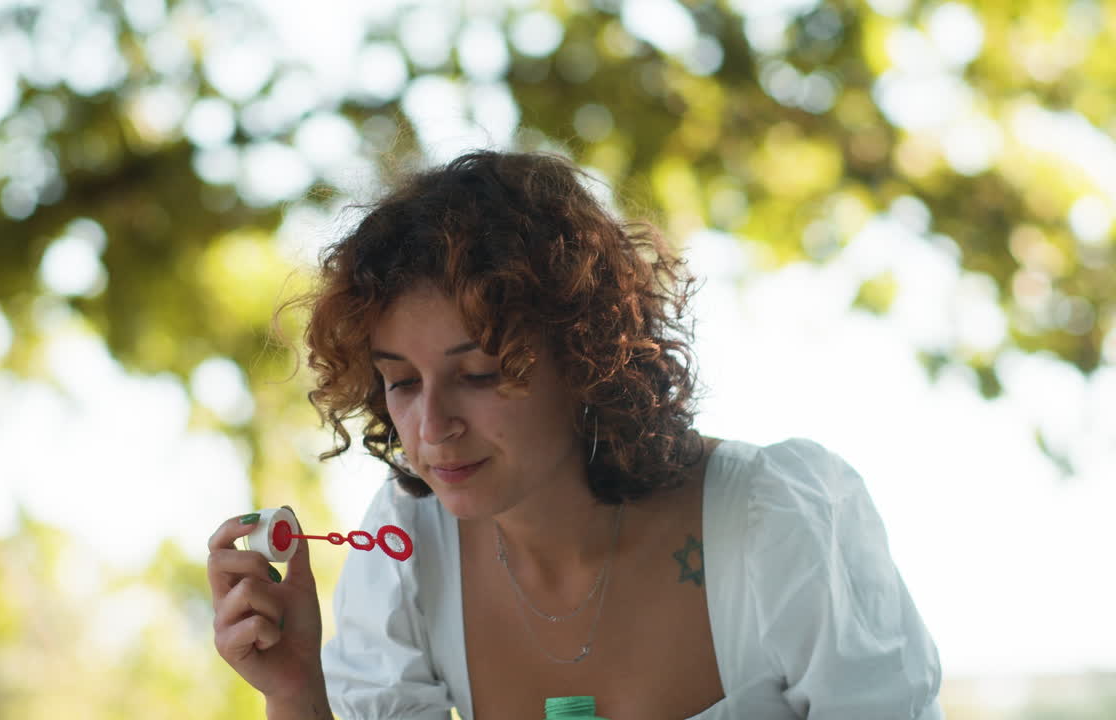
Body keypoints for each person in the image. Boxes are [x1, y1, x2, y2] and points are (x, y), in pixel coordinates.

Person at [206, 151, 943, 719]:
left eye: (480, 373)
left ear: (585, 357)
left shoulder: (777, 521)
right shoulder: (408, 550)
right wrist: (297, 695)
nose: (432, 427)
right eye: (400, 381)